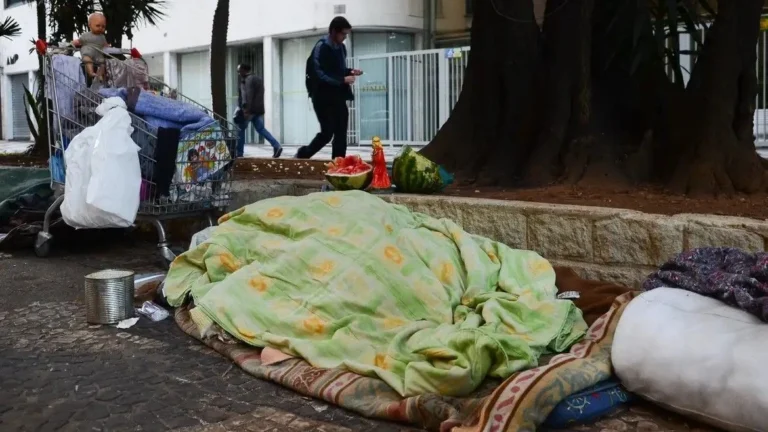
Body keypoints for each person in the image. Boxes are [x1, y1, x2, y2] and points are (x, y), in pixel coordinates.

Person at [296, 16, 363, 159]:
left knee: (341, 133)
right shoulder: (322, 47)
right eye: (343, 34)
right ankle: (303, 155)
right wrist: (342, 79)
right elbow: (319, 74)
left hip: (338, 97)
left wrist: (349, 71)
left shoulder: (341, 48)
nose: (345, 37)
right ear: (333, 31)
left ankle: (339, 165)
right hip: (322, 97)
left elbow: (336, 70)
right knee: (327, 133)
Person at [235, 64, 282, 158]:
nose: (238, 73)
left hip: (249, 111)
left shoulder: (246, 80)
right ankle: (276, 145)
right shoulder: (258, 79)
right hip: (258, 110)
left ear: (244, 70)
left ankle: (239, 153)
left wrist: (246, 110)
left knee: (240, 130)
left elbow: (247, 96)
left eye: (239, 71)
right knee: (261, 129)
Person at [73, 13, 110, 80]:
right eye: (98, 25)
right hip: (88, 52)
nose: (100, 28)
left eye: (103, 26)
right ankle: (91, 72)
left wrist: (108, 47)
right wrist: (73, 43)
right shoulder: (86, 35)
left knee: (103, 63)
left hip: (98, 53)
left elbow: (105, 45)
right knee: (87, 60)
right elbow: (78, 41)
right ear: (90, 25)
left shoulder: (102, 37)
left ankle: (100, 75)